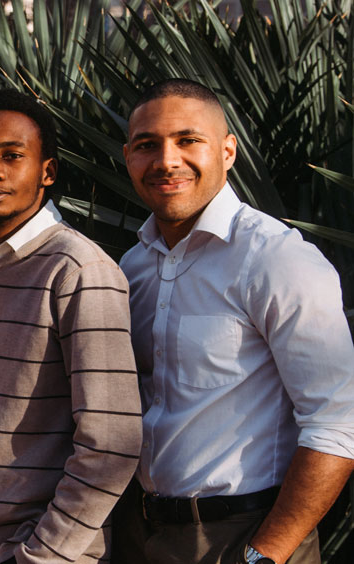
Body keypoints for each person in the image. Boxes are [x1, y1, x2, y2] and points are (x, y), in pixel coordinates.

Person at [115, 78, 354, 564]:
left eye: (188, 140)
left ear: (227, 151)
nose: (166, 160)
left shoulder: (276, 259)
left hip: (246, 536)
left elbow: (337, 422)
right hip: (140, 534)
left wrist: (265, 554)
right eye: (147, 145)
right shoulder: (131, 268)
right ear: (128, 158)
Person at [0, 89, 142, 564]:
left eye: (12, 156)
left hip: (41, 552)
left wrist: (42, 554)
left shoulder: (77, 268)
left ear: (47, 172)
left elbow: (112, 440)